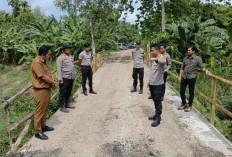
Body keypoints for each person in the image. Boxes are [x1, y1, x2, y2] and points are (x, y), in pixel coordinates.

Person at [31, 45, 58, 140]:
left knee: (44, 109)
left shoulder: (44, 61)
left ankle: (43, 126)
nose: (49, 56)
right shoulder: (37, 62)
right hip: (40, 90)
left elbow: (48, 74)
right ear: (43, 54)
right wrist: (54, 82)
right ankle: (37, 131)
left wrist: (52, 82)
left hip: (46, 89)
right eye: (49, 55)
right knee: (39, 111)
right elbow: (42, 76)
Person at [178, 45, 210, 112]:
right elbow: (182, 68)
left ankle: (189, 105)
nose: (188, 51)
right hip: (184, 76)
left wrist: (206, 70)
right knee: (181, 91)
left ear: (193, 51)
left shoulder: (197, 59)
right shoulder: (185, 58)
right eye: (188, 50)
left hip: (192, 77)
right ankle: (184, 103)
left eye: (189, 50)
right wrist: (180, 76)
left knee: (191, 92)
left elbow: (202, 67)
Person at [147, 45, 166, 127]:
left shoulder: (161, 56)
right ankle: (156, 115)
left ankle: (158, 118)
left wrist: (155, 59)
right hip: (153, 83)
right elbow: (153, 72)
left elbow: (162, 61)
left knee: (158, 102)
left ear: (157, 50)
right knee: (155, 100)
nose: (151, 52)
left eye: (152, 50)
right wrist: (149, 81)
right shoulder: (155, 58)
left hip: (158, 84)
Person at [57, 44, 76, 113]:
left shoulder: (70, 57)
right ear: (63, 50)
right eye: (67, 49)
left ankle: (68, 104)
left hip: (70, 77)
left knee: (69, 91)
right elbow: (59, 69)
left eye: (69, 49)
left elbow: (73, 67)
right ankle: (62, 106)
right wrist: (60, 79)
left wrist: (74, 76)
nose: (69, 50)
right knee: (63, 92)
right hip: (64, 77)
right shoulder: (60, 58)